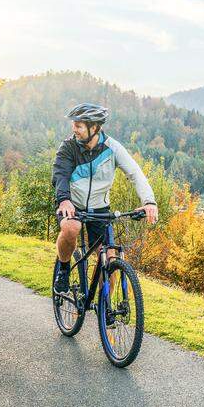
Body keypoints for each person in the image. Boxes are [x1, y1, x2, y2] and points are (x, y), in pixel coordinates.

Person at [52, 103, 158, 293]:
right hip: (71, 204)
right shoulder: (68, 148)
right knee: (71, 227)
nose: (73, 129)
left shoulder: (112, 148)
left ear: (94, 128)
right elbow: (60, 175)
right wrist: (64, 199)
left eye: (78, 126)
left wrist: (149, 201)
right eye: (74, 125)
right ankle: (64, 269)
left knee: (110, 256)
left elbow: (136, 173)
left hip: (99, 207)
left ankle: (104, 304)